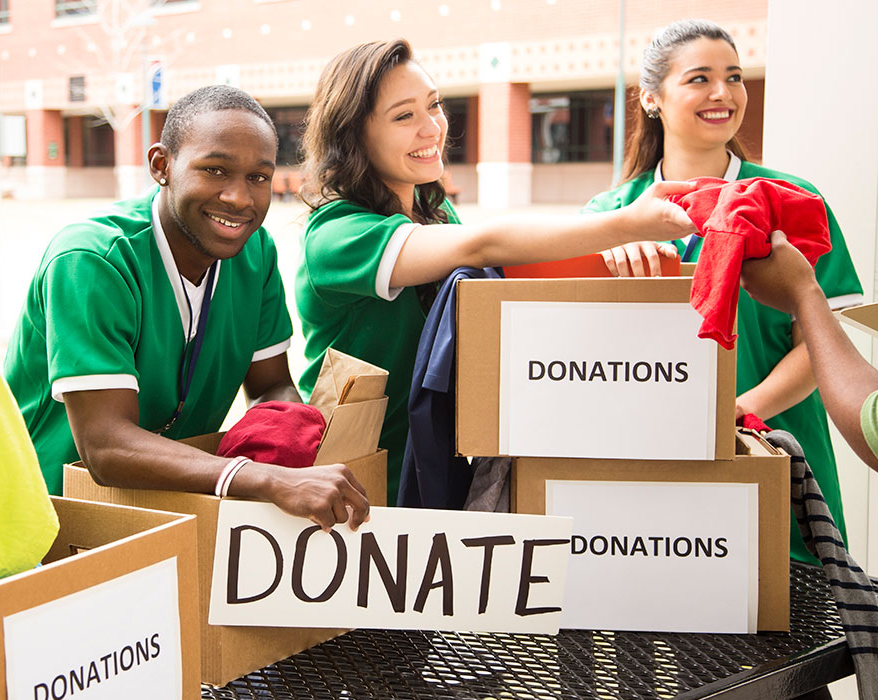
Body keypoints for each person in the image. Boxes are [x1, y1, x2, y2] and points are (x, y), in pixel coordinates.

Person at [295, 38, 696, 500]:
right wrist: (623, 224)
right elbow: (486, 246)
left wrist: (613, 256)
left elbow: (514, 273)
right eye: (404, 116)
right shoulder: (335, 236)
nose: (432, 128)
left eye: (435, 105)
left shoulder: (437, 217)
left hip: (440, 478)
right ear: (352, 136)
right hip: (359, 494)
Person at [3, 85, 369, 532]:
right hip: (48, 516)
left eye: (258, 177)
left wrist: (287, 452)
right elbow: (104, 447)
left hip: (169, 507)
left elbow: (272, 386)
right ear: (162, 165)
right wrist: (264, 479)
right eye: (215, 170)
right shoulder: (91, 259)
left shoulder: (255, 253)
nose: (239, 198)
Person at [583, 19, 863, 569]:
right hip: (648, 463)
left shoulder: (793, 200)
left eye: (733, 77)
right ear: (652, 99)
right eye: (700, 78)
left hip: (776, 455)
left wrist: (739, 414)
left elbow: (822, 341)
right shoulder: (607, 217)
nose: (723, 93)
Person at [743, 237, 878, 470]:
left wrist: (733, 412)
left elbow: (871, 423)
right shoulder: (663, 220)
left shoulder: (795, 205)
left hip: (779, 444)